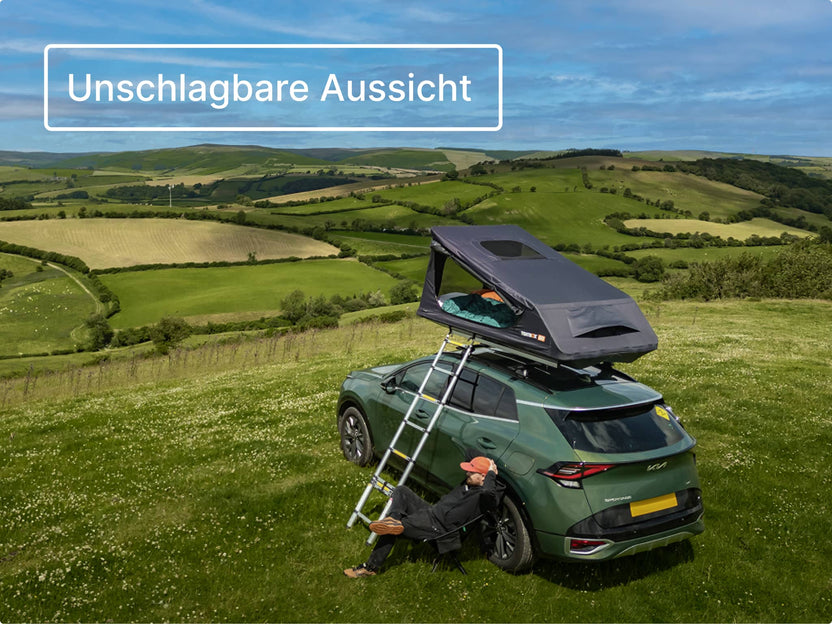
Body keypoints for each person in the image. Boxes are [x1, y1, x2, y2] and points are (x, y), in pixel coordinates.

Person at [344, 456, 500, 578]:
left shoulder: (484, 498)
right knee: (401, 491)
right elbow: (470, 452)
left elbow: (489, 492)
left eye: (471, 472)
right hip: (431, 512)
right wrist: (490, 463)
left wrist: (491, 473)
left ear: (484, 477)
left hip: (439, 528)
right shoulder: (471, 483)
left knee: (393, 530)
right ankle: (394, 518)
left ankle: (370, 568)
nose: (467, 473)